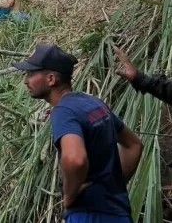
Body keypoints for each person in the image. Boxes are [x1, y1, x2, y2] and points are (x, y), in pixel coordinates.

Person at [14, 44, 143, 222]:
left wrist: (70, 195)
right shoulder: (94, 103)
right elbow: (134, 145)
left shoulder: (63, 111)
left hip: (88, 214)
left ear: (51, 79)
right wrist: (114, 185)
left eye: (30, 74)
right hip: (118, 211)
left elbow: (76, 159)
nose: (25, 81)